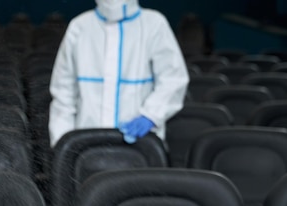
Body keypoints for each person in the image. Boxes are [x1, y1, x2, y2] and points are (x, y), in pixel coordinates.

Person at [48, 0, 189, 146]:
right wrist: (63, 145)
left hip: (140, 145)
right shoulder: (79, 27)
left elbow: (173, 79)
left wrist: (151, 115)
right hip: (85, 145)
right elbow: (63, 94)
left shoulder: (154, 24)